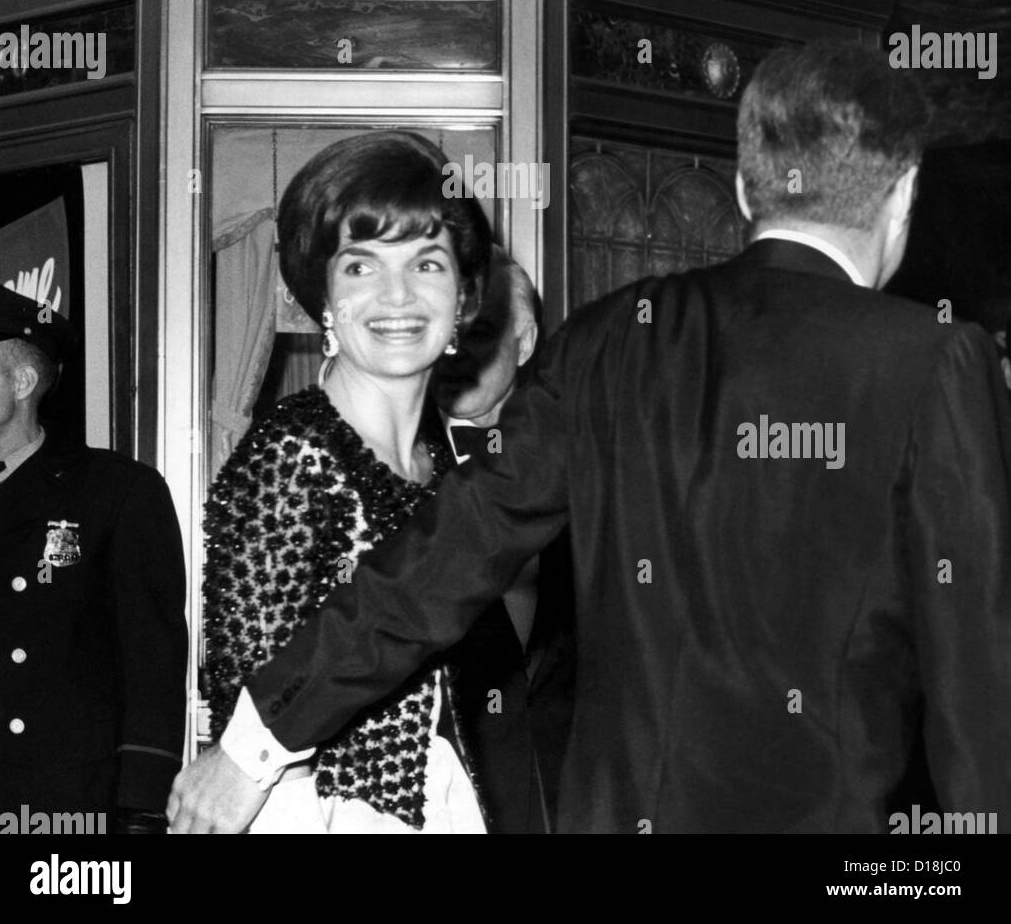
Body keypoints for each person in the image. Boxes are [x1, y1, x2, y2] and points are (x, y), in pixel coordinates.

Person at [170, 41, 1011, 835]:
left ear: (747, 192)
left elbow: (445, 554)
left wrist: (252, 746)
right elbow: (981, 680)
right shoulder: (934, 358)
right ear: (901, 191)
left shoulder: (610, 338)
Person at [200, 130, 494, 833]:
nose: (397, 295)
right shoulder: (292, 457)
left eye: (427, 262)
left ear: (461, 297)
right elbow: (250, 697)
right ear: (321, 299)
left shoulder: (446, 463)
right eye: (360, 267)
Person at [0, 284, 187, 836]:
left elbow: (153, 660)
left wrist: (141, 808)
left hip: (60, 803)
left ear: (22, 382)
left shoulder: (116, 491)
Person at [434, 248, 551, 833]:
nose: (457, 351)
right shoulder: (393, 463)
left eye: (482, 330)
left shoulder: (586, 465)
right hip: (444, 798)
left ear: (524, 343)